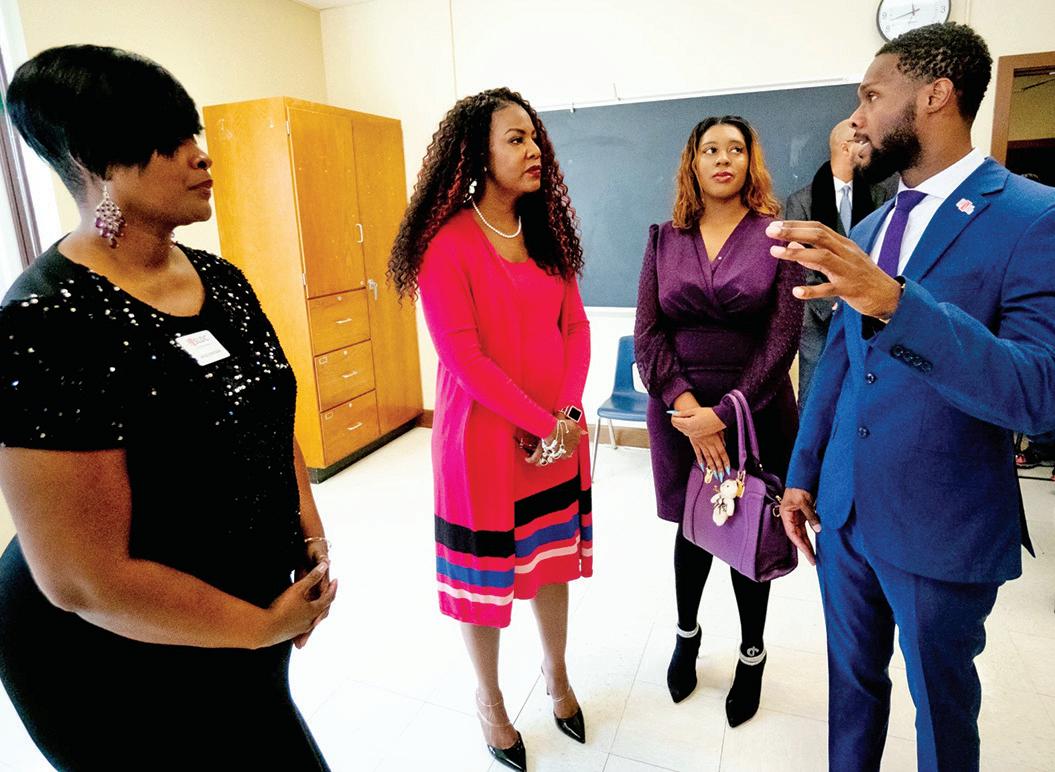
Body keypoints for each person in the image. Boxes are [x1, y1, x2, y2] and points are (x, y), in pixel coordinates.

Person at [0, 45, 337, 770]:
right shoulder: (46, 320)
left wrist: (308, 533)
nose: (200, 155)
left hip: (243, 622)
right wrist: (259, 627)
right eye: (168, 140)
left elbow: (269, 419)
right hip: (110, 658)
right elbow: (84, 580)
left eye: (193, 134)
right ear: (93, 163)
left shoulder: (222, 280)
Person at [773, 22, 1055, 772]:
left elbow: (1038, 392)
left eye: (871, 95)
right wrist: (803, 474)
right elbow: (838, 364)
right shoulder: (868, 228)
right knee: (850, 691)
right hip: (844, 513)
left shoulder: (1034, 216)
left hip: (942, 522)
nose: (856, 117)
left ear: (935, 95)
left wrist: (895, 303)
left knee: (941, 711)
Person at [388, 87, 592, 771]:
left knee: (550, 565)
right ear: (477, 153)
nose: (534, 150)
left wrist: (565, 417)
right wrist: (543, 423)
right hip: (482, 447)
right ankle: (491, 702)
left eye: (534, 137)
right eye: (515, 138)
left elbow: (576, 328)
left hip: (554, 441)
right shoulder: (445, 243)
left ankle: (557, 677)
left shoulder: (546, 233)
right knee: (484, 585)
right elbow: (464, 359)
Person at [634, 115, 803, 726]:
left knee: (748, 527)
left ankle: (752, 655)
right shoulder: (663, 239)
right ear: (694, 162)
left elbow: (782, 339)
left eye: (736, 149)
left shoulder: (776, 236)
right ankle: (687, 636)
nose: (723, 158)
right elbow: (647, 334)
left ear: (750, 161)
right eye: (711, 149)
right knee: (692, 528)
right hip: (679, 414)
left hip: (754, 409)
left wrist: (726, 414)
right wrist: (687, 409)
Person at [784, 119, 896, 406]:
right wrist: (836, 300)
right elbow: (797, 263)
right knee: (814, 396)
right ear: (846, 148)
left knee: (864, 391)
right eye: (861, 141)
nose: (869, 146)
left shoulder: (881, 194)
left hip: (870, 315)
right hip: (819, 317)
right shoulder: (801, 200)